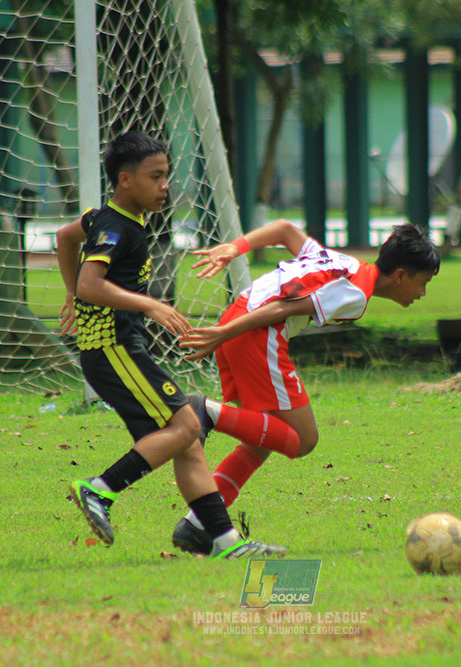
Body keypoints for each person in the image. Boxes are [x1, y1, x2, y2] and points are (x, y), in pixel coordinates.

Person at [56, 130, 288, 559]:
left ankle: (224, 544)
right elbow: (93, 283)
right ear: (125, 180)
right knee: (187, 426)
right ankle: (98, 490)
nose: (165, 186)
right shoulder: (113, 227)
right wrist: (146, 304)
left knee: (186, 440)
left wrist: (72, 293)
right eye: (155, 176)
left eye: (167, 175)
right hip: (112, 348)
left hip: (117, 350)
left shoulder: (103, 218)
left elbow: (64, 238)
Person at [171, 219, 440, 555]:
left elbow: (284, 229)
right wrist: (226, 334)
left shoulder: (345, 263)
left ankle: (198, 525)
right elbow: (284, 308)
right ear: (401, 275)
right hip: (255, 331)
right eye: (423, 283)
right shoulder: (356, 293)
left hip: (240, 316)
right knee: (302, 439)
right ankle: (207, 412)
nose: (422, 293)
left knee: (265, 438)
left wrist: (234, 248)